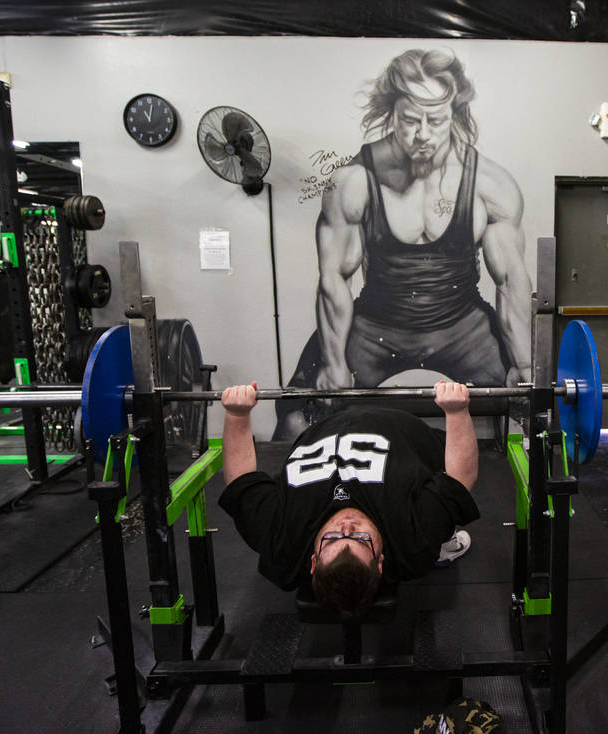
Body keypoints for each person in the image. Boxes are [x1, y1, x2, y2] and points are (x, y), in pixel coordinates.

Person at [274, 48, 532, 439]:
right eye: (410, 120)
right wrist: (332, 362)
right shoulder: (353, 182)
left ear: (456, 116)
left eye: (436, 120)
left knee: (536, 403)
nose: (422, 134)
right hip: (377, 326)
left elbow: (511, 282)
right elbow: (333, 280)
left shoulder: (490, 187)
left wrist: (526, 364)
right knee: (297, 413)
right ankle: (305, 497)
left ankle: (542, 500)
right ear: (391, 113)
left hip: (463, 326)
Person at [219, 380, 480, 619]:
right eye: (359, 539)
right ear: (380, 561)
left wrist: (236, 415)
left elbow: (241, 479)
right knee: (445, 504)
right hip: (404, 428)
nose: (346, 527)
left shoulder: (281, 544)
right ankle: (443, 544)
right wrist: (457, 412)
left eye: (331, 539)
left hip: (327, 424)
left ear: (313, 560)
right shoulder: (412, 540)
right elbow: (461, 478)